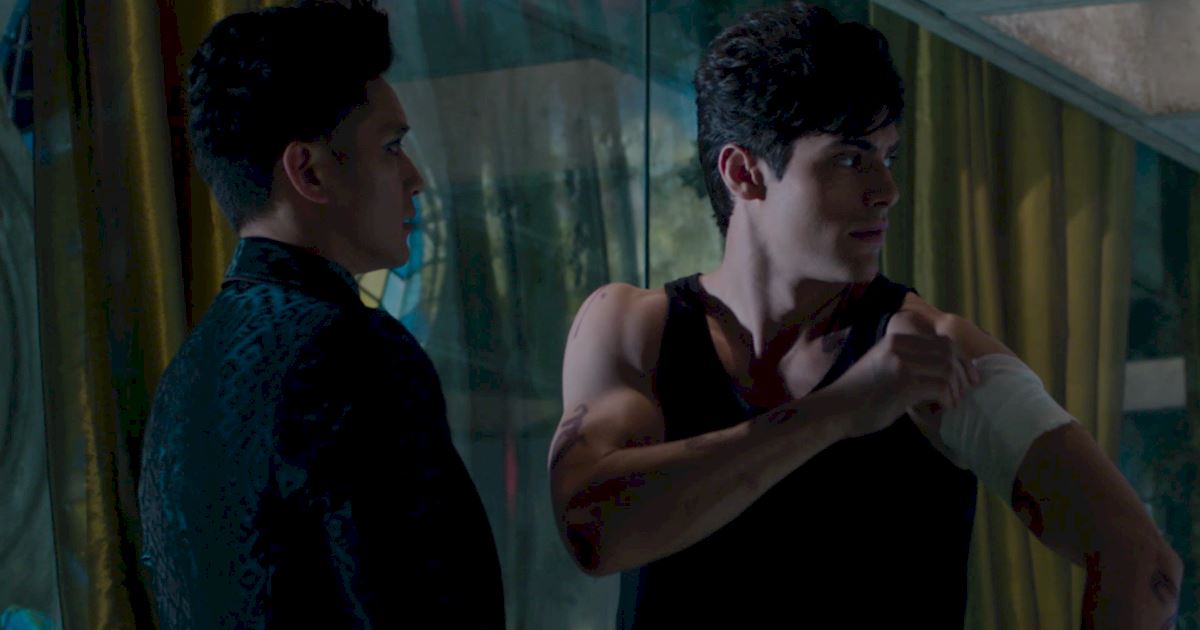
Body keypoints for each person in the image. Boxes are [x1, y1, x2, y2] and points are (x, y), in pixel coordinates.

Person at [548, 3, 1182, 628]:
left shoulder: (933, 350)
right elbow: (592, 531)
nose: (886, 190)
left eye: (889, 156)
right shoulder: (633, 329)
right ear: (744, 173)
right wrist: (841, 409)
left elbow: (1140, 563)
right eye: (850, 159)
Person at [137, 2, 504, 627]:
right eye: (391, 147)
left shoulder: (181, 380)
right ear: (308, 170)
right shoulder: (356, 355)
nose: (414, 178)